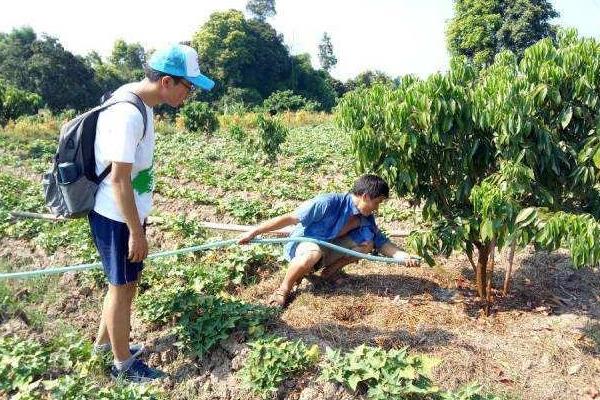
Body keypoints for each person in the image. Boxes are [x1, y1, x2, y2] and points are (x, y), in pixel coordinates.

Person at [88, 44, 214, 382]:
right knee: (122, 287)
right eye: (189, 87)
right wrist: (136, 232)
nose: (190, 95)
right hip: (116, 216)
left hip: (126, 214)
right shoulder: (128, 113)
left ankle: (103, 348)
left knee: (125, 284)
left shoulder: (140, 100)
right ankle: (123, 366)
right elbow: (119, 178)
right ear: (168, 82)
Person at [238, 174, 420, 307]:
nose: (377, 208)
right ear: (365, 197)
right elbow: (291, 218)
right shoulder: (328, 202)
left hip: (326, 252)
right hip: (304, 247)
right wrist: (255, 231)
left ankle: (329, 273)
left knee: (367, 245)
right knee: (313, 252)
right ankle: (283, 290)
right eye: (377, 202)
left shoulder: (366, 219)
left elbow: (382, 244)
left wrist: (403, 257)